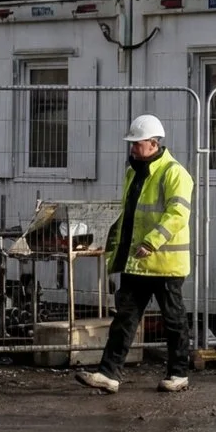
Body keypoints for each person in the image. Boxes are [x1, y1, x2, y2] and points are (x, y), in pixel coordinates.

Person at [77, 114, 195, 394]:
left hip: (165, 264)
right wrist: (116, 248)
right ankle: (109, 374)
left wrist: (152, 242)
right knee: (125, 320)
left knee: (174, 320)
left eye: (136, 144)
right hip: (139, 263)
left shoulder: (174, 173)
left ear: (153, 144)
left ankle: (178, 373)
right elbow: (128, 215)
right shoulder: (133, 171)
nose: (131, 148)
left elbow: (177, 215)